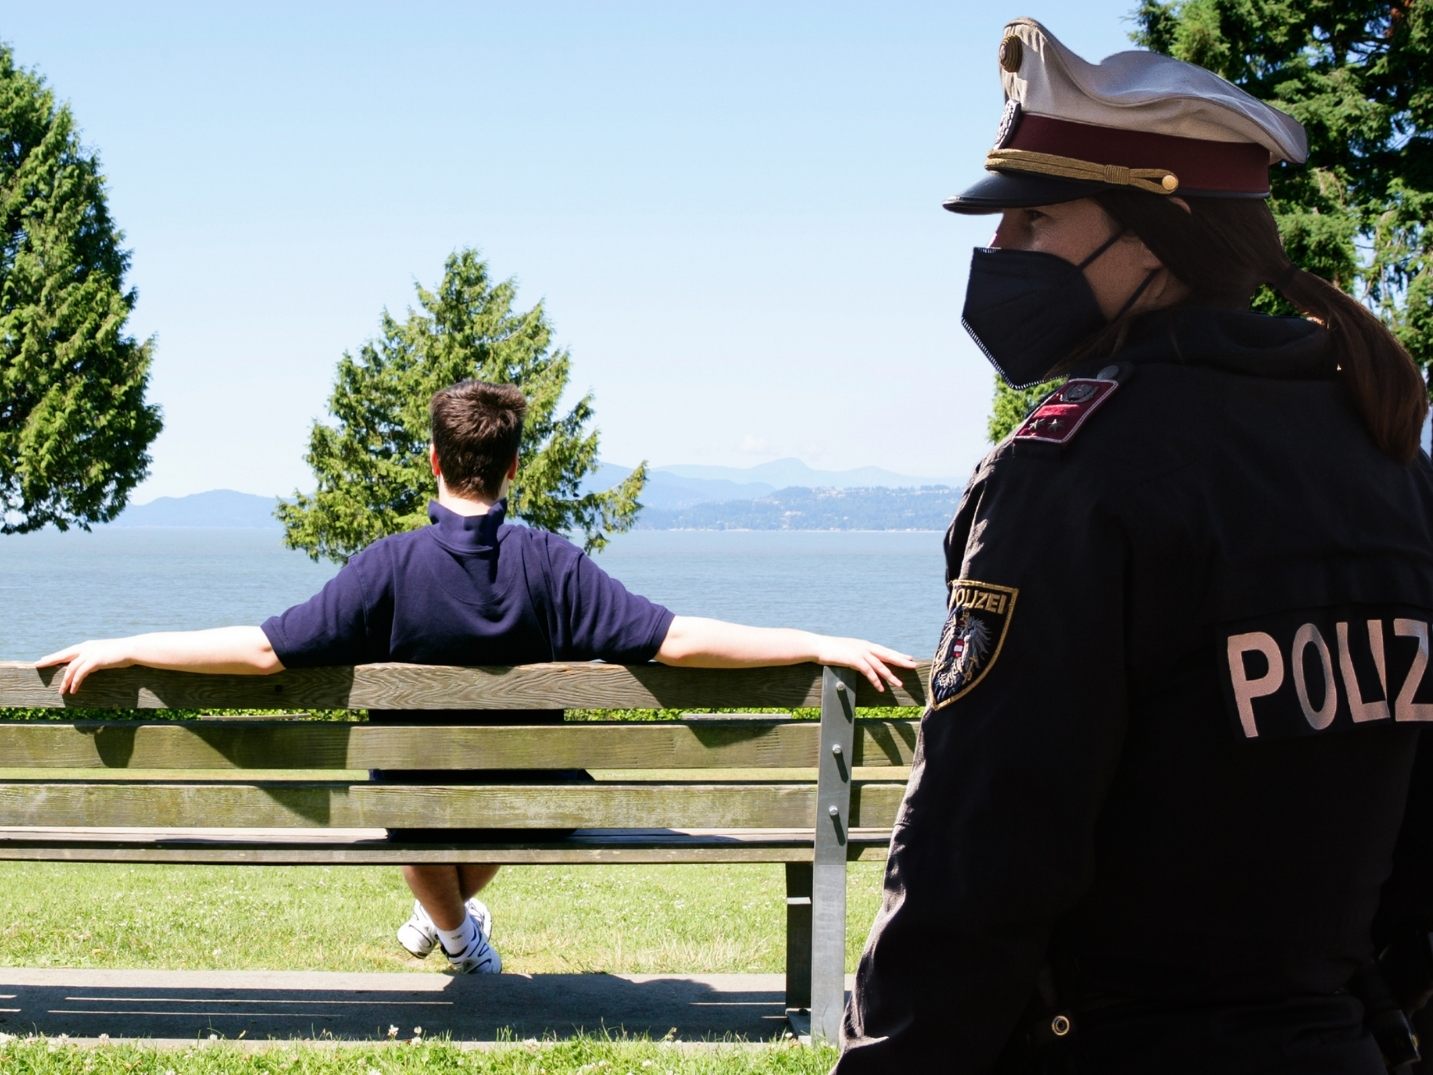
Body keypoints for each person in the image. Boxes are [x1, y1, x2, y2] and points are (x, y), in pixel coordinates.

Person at [837, 17, 1433, 1075]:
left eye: (1033, 218)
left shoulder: (1074, 471)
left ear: (1154, 237)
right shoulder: (1385, 455)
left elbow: (980, 837)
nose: (997, 252)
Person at [38, 379, 915, 978]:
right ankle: (457, 928)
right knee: (527, 790)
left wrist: (128, 645)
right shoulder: (553, 564)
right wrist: (817, 639)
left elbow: (264, 651)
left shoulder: (387, 566)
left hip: (413, 808)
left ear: (433, 461)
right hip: (524, 806)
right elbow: (678, 638)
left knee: (412, 805)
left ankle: (451, 930)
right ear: (512, 467)